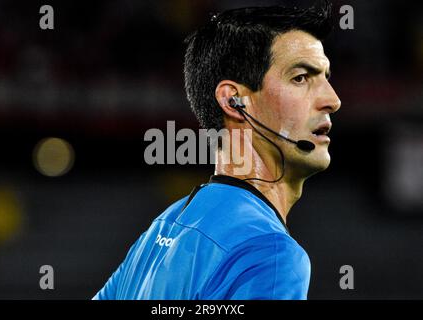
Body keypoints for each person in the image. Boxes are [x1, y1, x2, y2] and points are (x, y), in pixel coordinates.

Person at [94, 1, 341, 300]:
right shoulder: (271, 253)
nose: (332, 99)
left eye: (326, 78)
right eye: (300, 78)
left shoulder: (161, 230)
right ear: (233, 102)